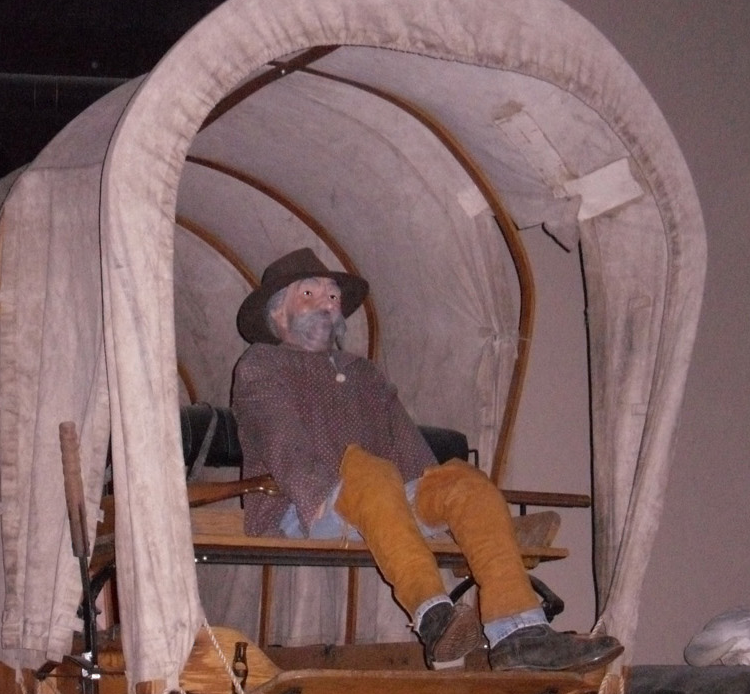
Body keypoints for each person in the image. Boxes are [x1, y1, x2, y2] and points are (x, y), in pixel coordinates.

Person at [231, 248, 622, 671]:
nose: (325, 304)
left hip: (380, 499)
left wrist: (438, 506)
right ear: (278, 313)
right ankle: (435, 618)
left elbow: (406, 441)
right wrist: (316, 495)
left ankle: (520, 634)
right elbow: (280, 439)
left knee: (461, 481)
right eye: (309, 293)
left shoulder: (363, 372)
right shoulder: (262, 363)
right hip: (302, 504)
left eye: (332, 297)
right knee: (372, 471)